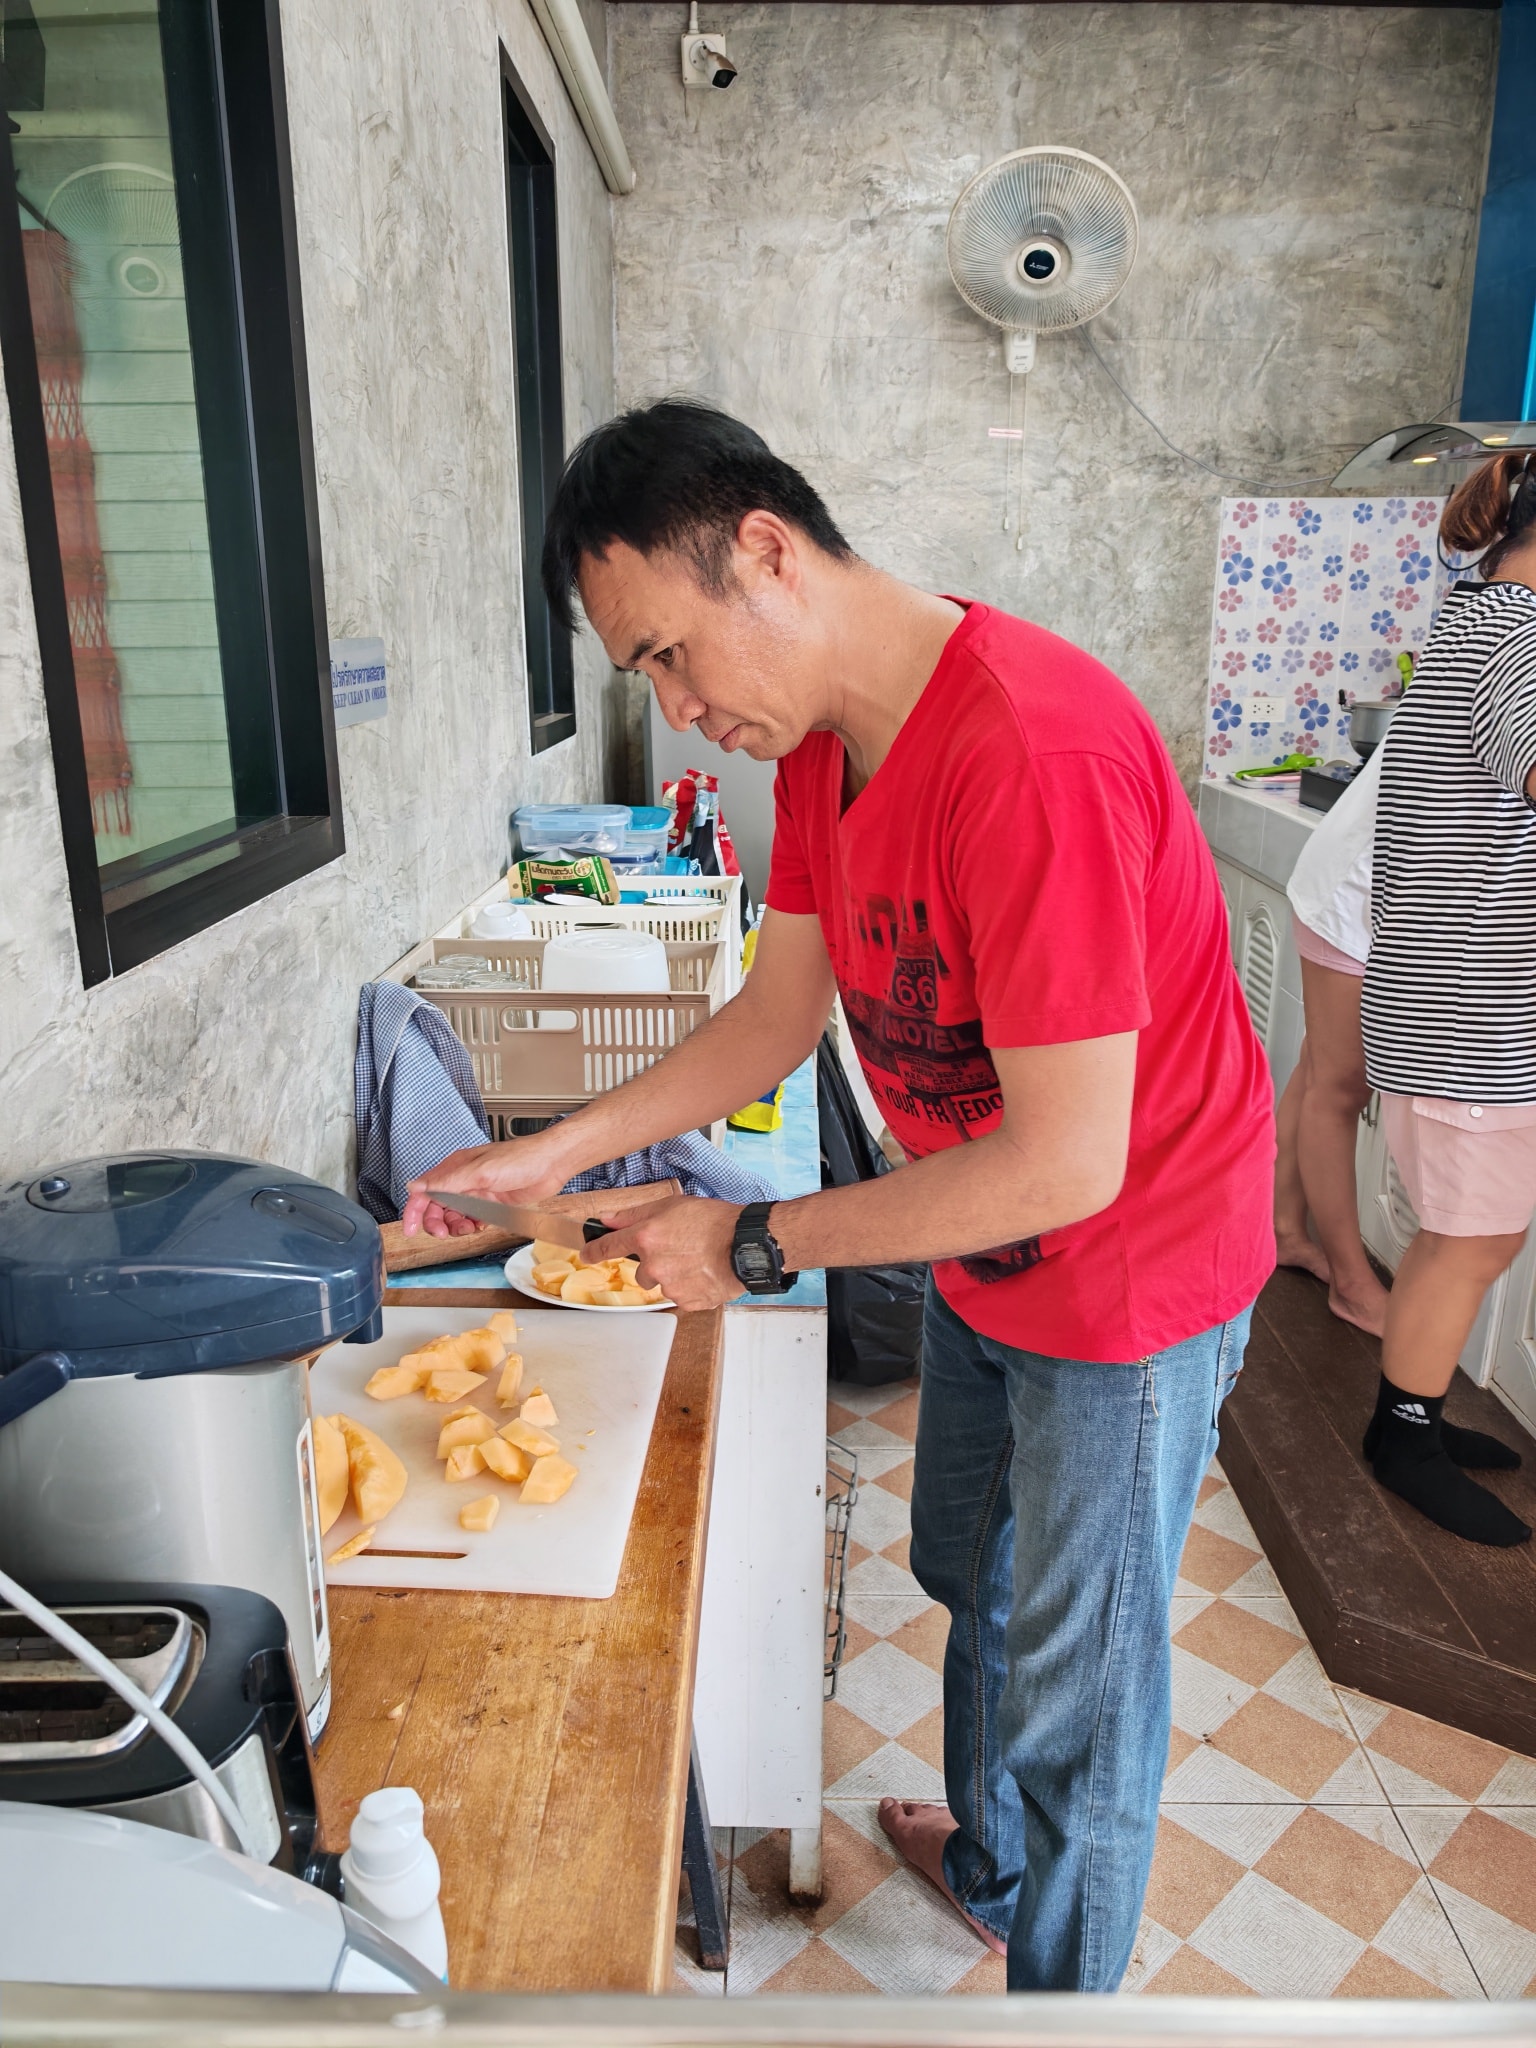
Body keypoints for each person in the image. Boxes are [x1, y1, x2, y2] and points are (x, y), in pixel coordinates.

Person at [404, 400, 1276, 1989]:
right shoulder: (821, 749)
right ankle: (993, 1864)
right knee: (967, 1569)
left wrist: (751, 1237)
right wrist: (546, 1156)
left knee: (1086, 1707)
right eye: (646, 678)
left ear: (766, 552)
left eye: (670, 657)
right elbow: (774, 1014)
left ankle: (1060, 2002)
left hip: (1127, 1275)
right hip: (981, 1242)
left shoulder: (1033, 753)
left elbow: (1071, 1159)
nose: (678, 716)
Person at [1360, 451, 1536, 1548]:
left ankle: (1409, 1409)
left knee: (1469, 1235)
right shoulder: (1520, 641)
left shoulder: (1481, 621)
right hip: (1474, 1010)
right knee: (1473, 1237)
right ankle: (1404, 1437)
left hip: (1455, 996)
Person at [1274, 745, 1392, 1336]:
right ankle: (1351, 1284)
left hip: (1385, 887)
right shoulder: (1508, 689)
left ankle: (1283, 1230)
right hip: (1359, 893)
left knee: (1319, 1066)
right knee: (1340, 1085)